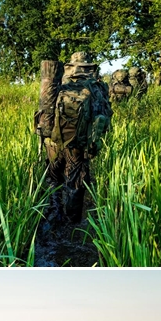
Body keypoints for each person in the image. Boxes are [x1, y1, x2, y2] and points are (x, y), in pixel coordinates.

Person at [39, 51, 112, 223]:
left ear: (70, 67)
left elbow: (45, 110)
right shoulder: (96, 87)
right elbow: (104, 117)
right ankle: (72, 223)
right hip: (77, 146)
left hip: (53, 141)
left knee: (53, 177)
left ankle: (53, 214)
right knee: (74, 182)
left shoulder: (59, 83)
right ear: (89, 68)